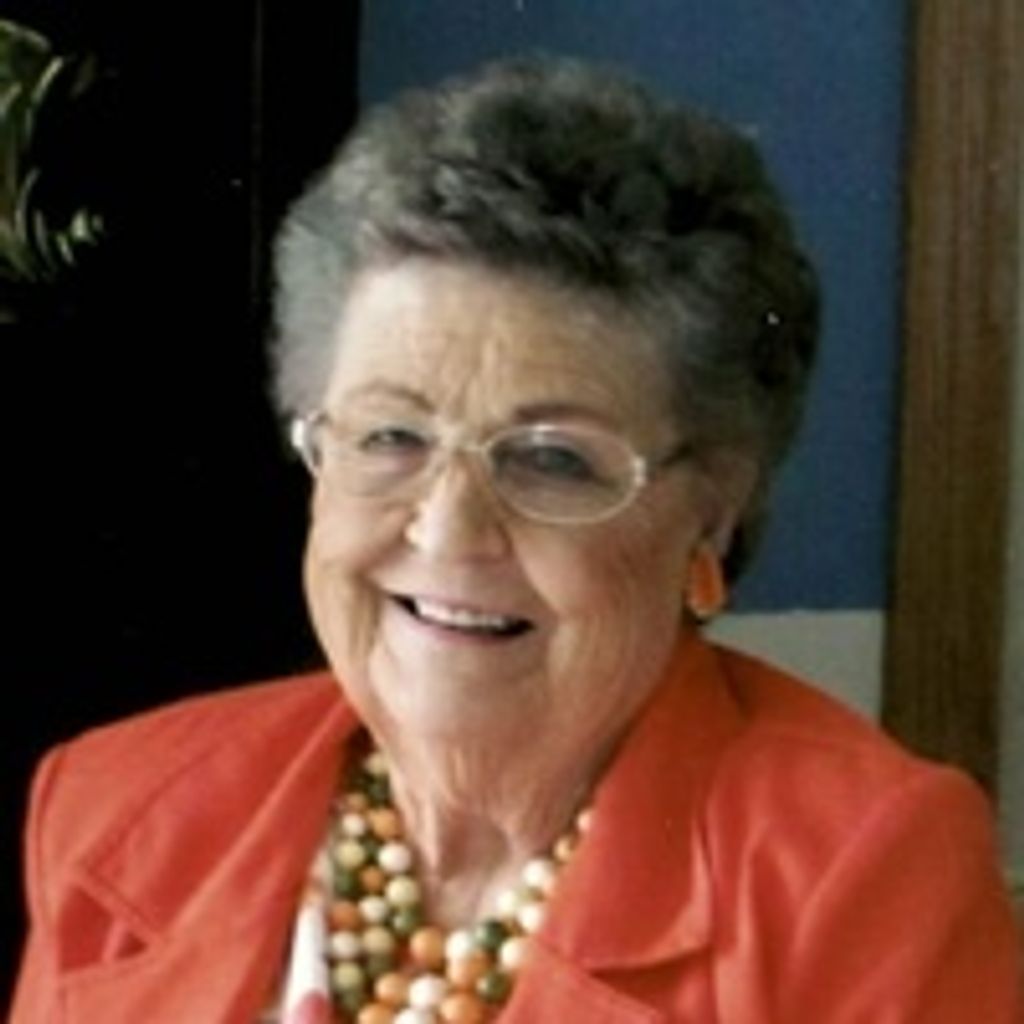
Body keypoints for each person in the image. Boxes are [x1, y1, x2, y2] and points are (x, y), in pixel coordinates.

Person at [10, 55, 1020, 1024]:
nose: (448, 526)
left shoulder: (858, 874)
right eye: (391, 436)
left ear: (710, 510)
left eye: (552, 460)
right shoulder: (119, 805)